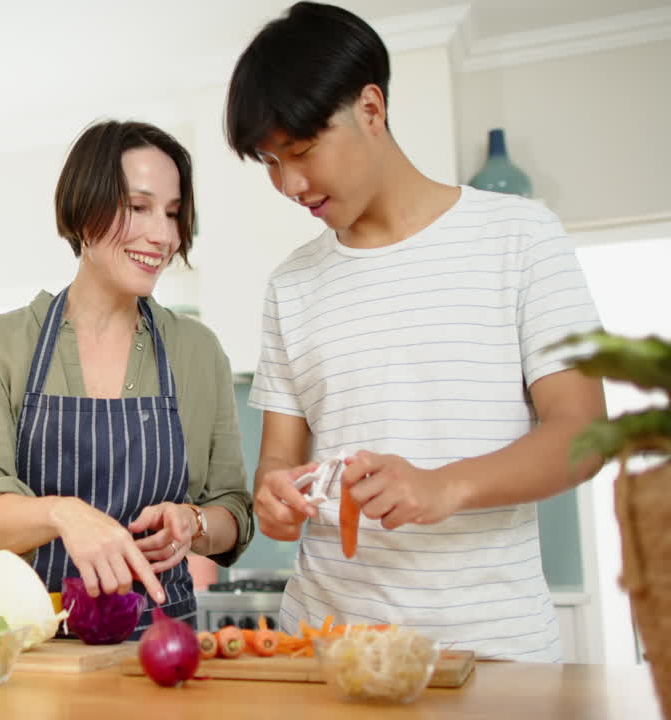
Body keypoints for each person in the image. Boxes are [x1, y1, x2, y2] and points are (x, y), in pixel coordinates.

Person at [224, 2, 607, 660]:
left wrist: (443, 485)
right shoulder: (291, 284)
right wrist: (275, 501)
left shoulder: (519, 235)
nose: (289, 183)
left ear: (370, 109)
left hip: (492, 653)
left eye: (302, 150)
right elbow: (278, 466)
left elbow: (583, 434)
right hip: (326, 652)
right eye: (269, 161)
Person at [0, 120, 254, 632]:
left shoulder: (198, 350)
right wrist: (64, 514)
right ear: (84, 206)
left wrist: (195, 524)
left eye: (174, 214)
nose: (162, 235)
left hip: (164, 650)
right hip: (36, 651)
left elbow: (233, 513)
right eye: (138, 207)